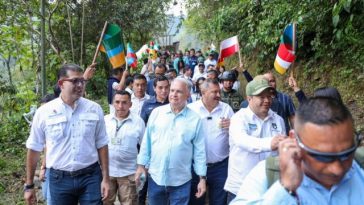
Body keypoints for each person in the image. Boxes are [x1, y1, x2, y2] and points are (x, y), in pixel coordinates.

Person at [231, 96, 364, 204]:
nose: (337, 169)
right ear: (294, 140)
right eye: (322, 156)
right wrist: (285, 189)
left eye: (346, 153)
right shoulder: (267, 174)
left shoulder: (360, 169)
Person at [24, 63, 110, 205]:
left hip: (91, 177)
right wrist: (29, 185)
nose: (80, 85)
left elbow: (102, 144)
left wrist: (106, 179)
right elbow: (34, 148)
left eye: (82, 80)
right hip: (59, 179)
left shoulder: (94, 109)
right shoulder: (44, 112)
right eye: (75, 81)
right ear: (61, 84)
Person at [135, 78, 207, 205]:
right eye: (172, 90)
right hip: (156, 178)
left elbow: (200, 152)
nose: (173, 94)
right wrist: (141, 166)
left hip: (181, 181)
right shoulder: (157, 113)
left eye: (178, 91)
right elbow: (147, 142)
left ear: (188, 95)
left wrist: (202, 178)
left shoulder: (195, 119)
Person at [224, 77, 286, 203]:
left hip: (270, 188)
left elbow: (281, 153)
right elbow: (243, 141)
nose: (267, 101)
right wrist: (270, 143)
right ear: (249, 98)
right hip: (241, 188)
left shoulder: (278, 120)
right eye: (261, 97)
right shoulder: (238, 119)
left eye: (269, 96)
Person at [188, 79, 234, 205]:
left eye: (219, 91)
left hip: (221, 167)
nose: (219, 95)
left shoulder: (227, 109)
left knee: (219, 201)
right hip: (195, 166)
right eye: (215, 92)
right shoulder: (191, 110)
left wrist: (232, 126)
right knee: (196, 200)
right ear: (203, 92)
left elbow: (236, 136)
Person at [104, 90, 145, 205]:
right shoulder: (105, 120)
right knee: (105, 202)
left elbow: (144, 147)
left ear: (130, 104)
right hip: (107, 172)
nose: (120, 106)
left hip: (129, 173)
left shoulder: (138, 122)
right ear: (113, 103)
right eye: (117, 102)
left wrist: (142, 168)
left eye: (124, 102)